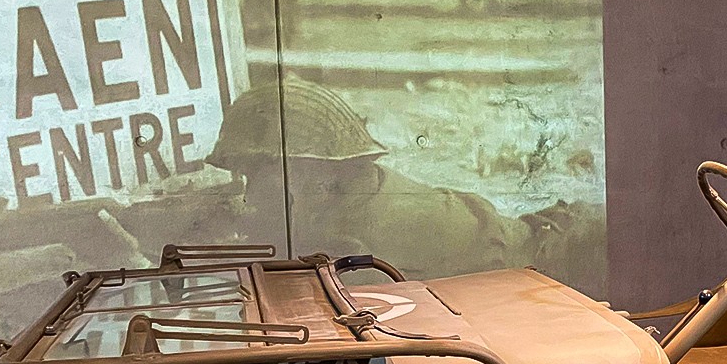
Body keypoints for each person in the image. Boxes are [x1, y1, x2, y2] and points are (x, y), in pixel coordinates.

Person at [205, 76, 599, 281]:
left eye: (256, 176)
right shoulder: (358, 190)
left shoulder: (358, 242)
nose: (249, 192)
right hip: (547, 235)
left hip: (563, 257)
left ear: (313, 178)